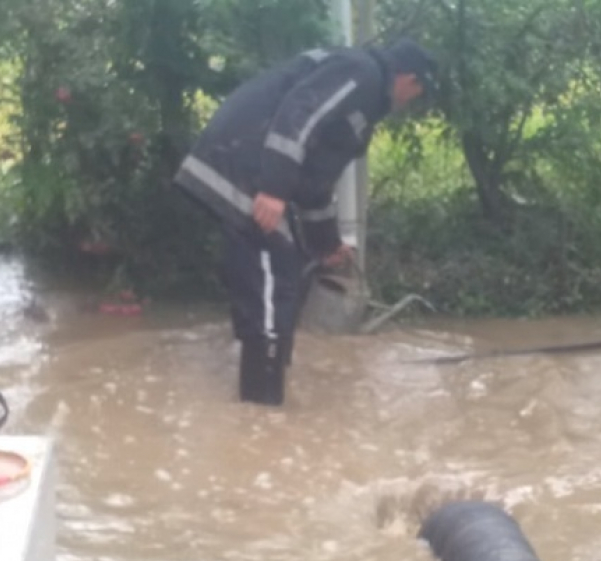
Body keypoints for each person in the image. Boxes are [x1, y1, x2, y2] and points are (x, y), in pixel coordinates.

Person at [174, 37, 437, 406]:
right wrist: (274, 188)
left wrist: (326, 244)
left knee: (289, 270)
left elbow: (316, 183)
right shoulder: (362, 73)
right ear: (409, 79)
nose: (413, 100)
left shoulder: (363, 105)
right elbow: (299, 111)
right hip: (242, 164)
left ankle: (268, 395)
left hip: (255, 169)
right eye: (418, 91)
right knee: (275, 278)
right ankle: (261, 416)